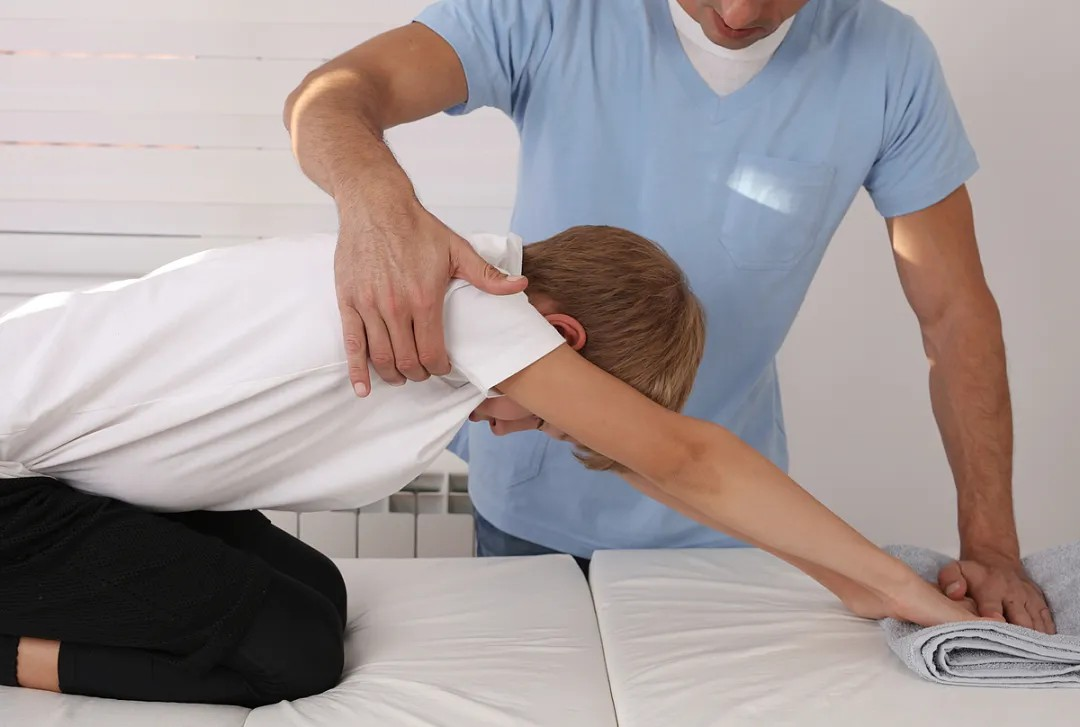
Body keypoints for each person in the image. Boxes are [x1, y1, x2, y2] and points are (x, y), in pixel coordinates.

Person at [283, 0, 1056, 633]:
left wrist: (991, 545)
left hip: (729, 525)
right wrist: (380, 207)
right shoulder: (554, 12)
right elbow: (332, 96)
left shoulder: (888, 60)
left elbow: (955, 315)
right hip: (531, 503)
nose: (740, 13)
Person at [2, 226, 986, 706]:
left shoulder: (452, 290)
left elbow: (655, 465)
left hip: (59, 479)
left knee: (318, 591)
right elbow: (685, 457)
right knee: (291, 652)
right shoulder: (474, 312)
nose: (519, 432)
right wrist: (903, 590)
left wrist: (845, 582)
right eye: (552, 417)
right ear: (561, 337)